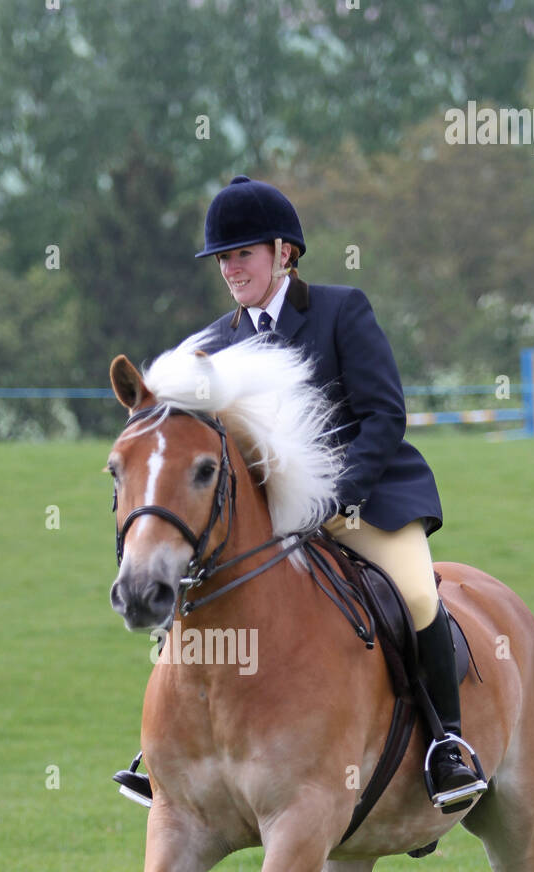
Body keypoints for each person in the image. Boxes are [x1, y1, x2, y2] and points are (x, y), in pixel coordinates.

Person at [114, 175, 487, 815]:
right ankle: (167, 751)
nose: (232, 269)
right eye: (224, 258)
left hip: (362, 503)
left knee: (419, 593)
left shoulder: (342, 310)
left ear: (284, 252)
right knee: (194, 597)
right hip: (269, 522)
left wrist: (339, 496)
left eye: (244, 254)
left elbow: (383, 417)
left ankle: (446, 746)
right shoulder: (209, 346)